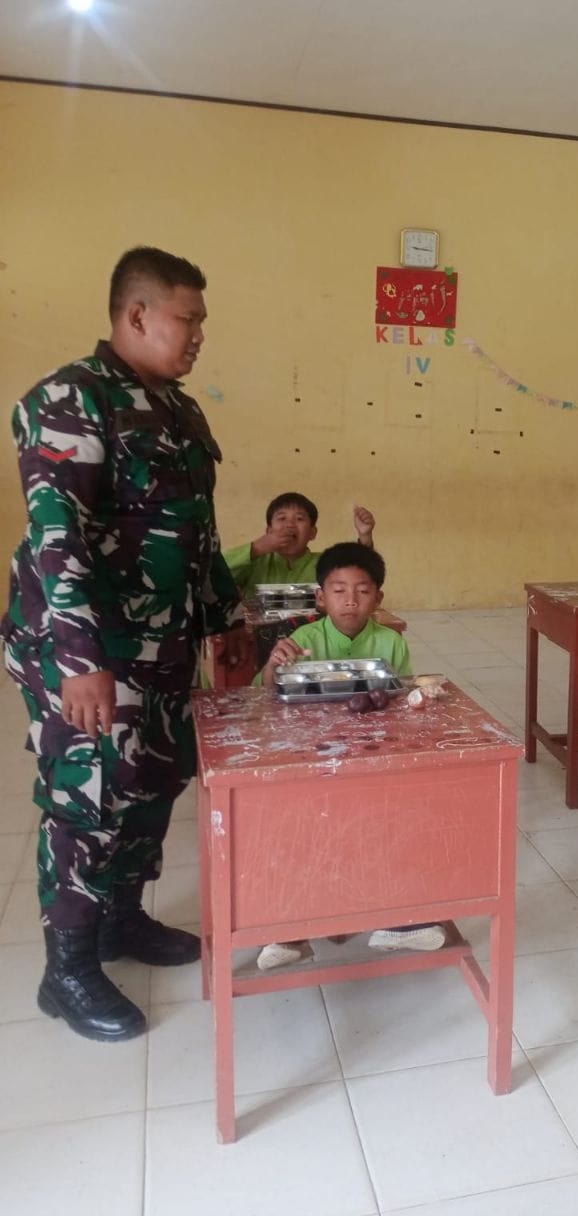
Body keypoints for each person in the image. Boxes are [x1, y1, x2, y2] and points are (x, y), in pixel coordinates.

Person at [1, 246, 249, 1042]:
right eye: (188, 319)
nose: (199, 335)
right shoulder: (70, 401)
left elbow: (197, 531)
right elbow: (57, 538)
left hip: (162, 642)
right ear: (137, 314)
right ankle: (67, 969)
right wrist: (80, 661)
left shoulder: (179, 411)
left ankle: (121, 920)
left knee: (154, 780)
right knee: (90, 798)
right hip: (90, 649)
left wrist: (225, 620)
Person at [257, 541, 445, 968]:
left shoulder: (390, 642)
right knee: (300, 829)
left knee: (395, 818)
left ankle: (400, 920)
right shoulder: (302, 639)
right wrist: (273, 665)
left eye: (362, 591)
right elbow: (266, 697)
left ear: (378, 597)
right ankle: (288, 929)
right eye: (338, 590)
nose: (350, 601)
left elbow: (398, 700)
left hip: (372, 754)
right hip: (311, 756)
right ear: (321, 597)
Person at [223, 492, 376, 597]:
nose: (289, 525)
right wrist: (256, 548)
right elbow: (214, 570)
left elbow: (363, 573)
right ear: (269, 531)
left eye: (299, 519)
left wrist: (365, 536)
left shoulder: (325, 563)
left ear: (312, 533)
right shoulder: (254, 561)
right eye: (282, 518)